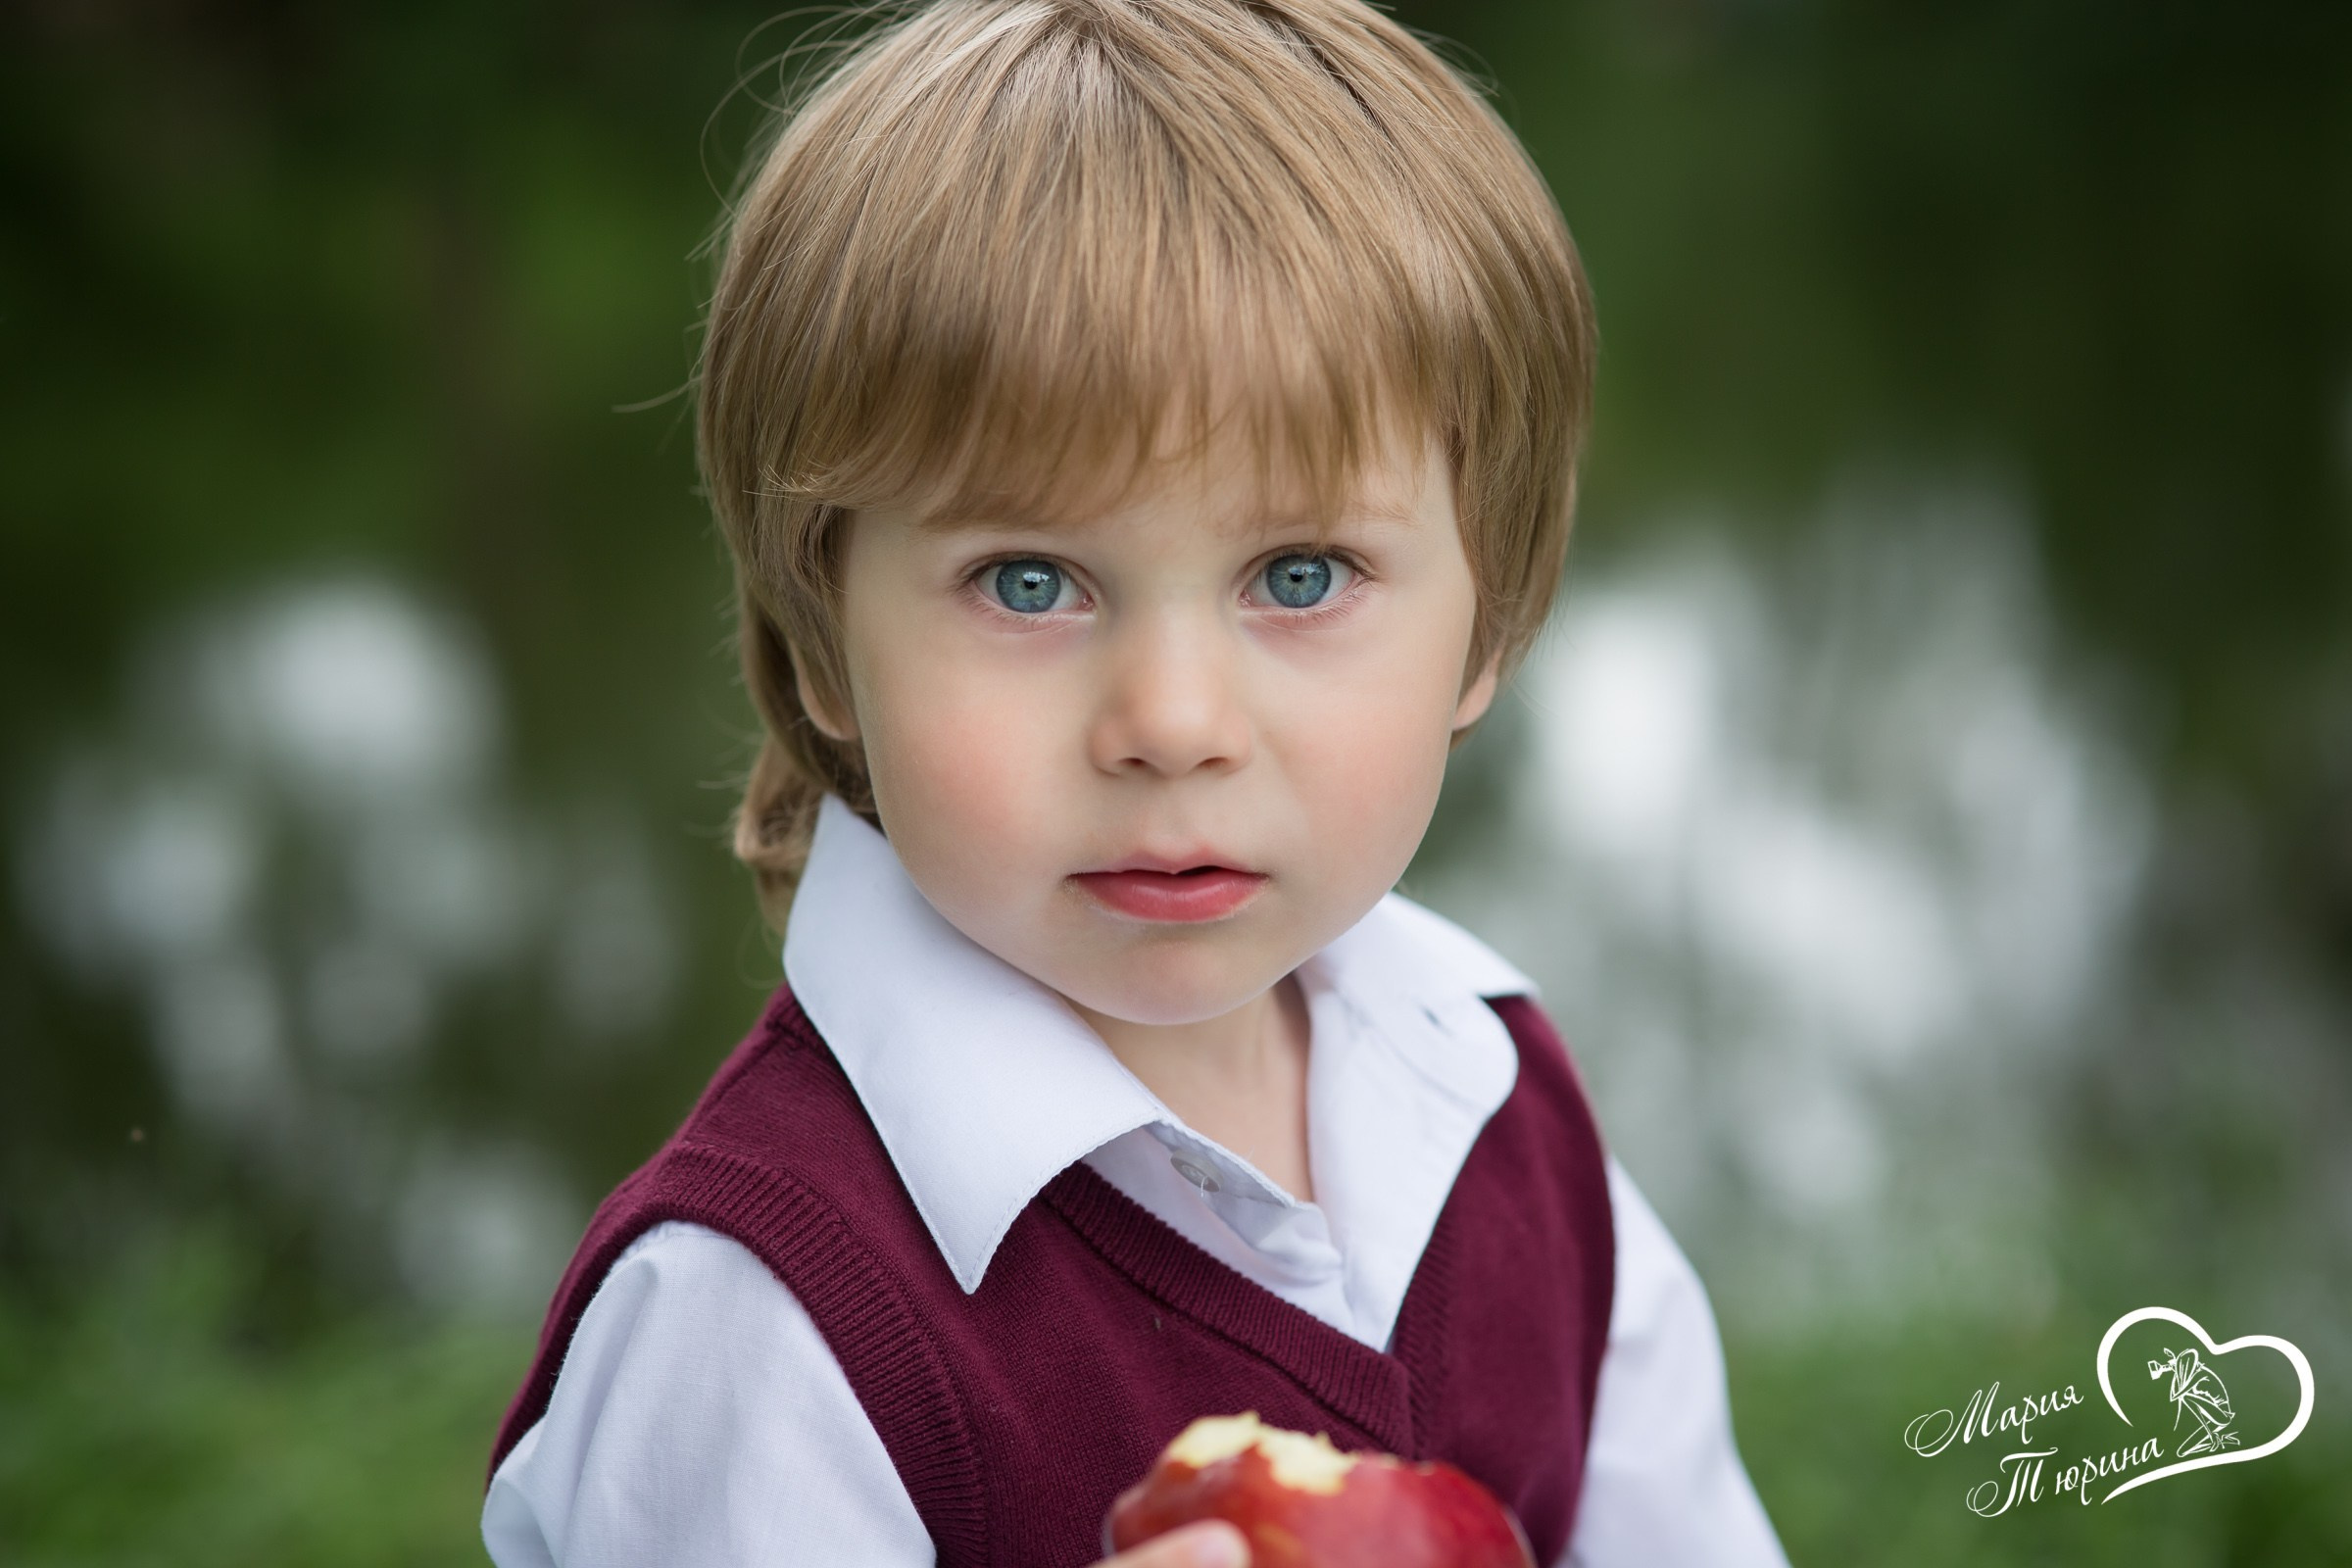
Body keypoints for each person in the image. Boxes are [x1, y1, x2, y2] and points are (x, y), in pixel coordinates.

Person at [482, 2, 1789, 1564]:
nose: (1172, 724)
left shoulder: (1500, 1099)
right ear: (823, 638)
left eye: (1300, 574)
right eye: (1029, 583)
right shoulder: (761, 1324)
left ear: (1488, 619)